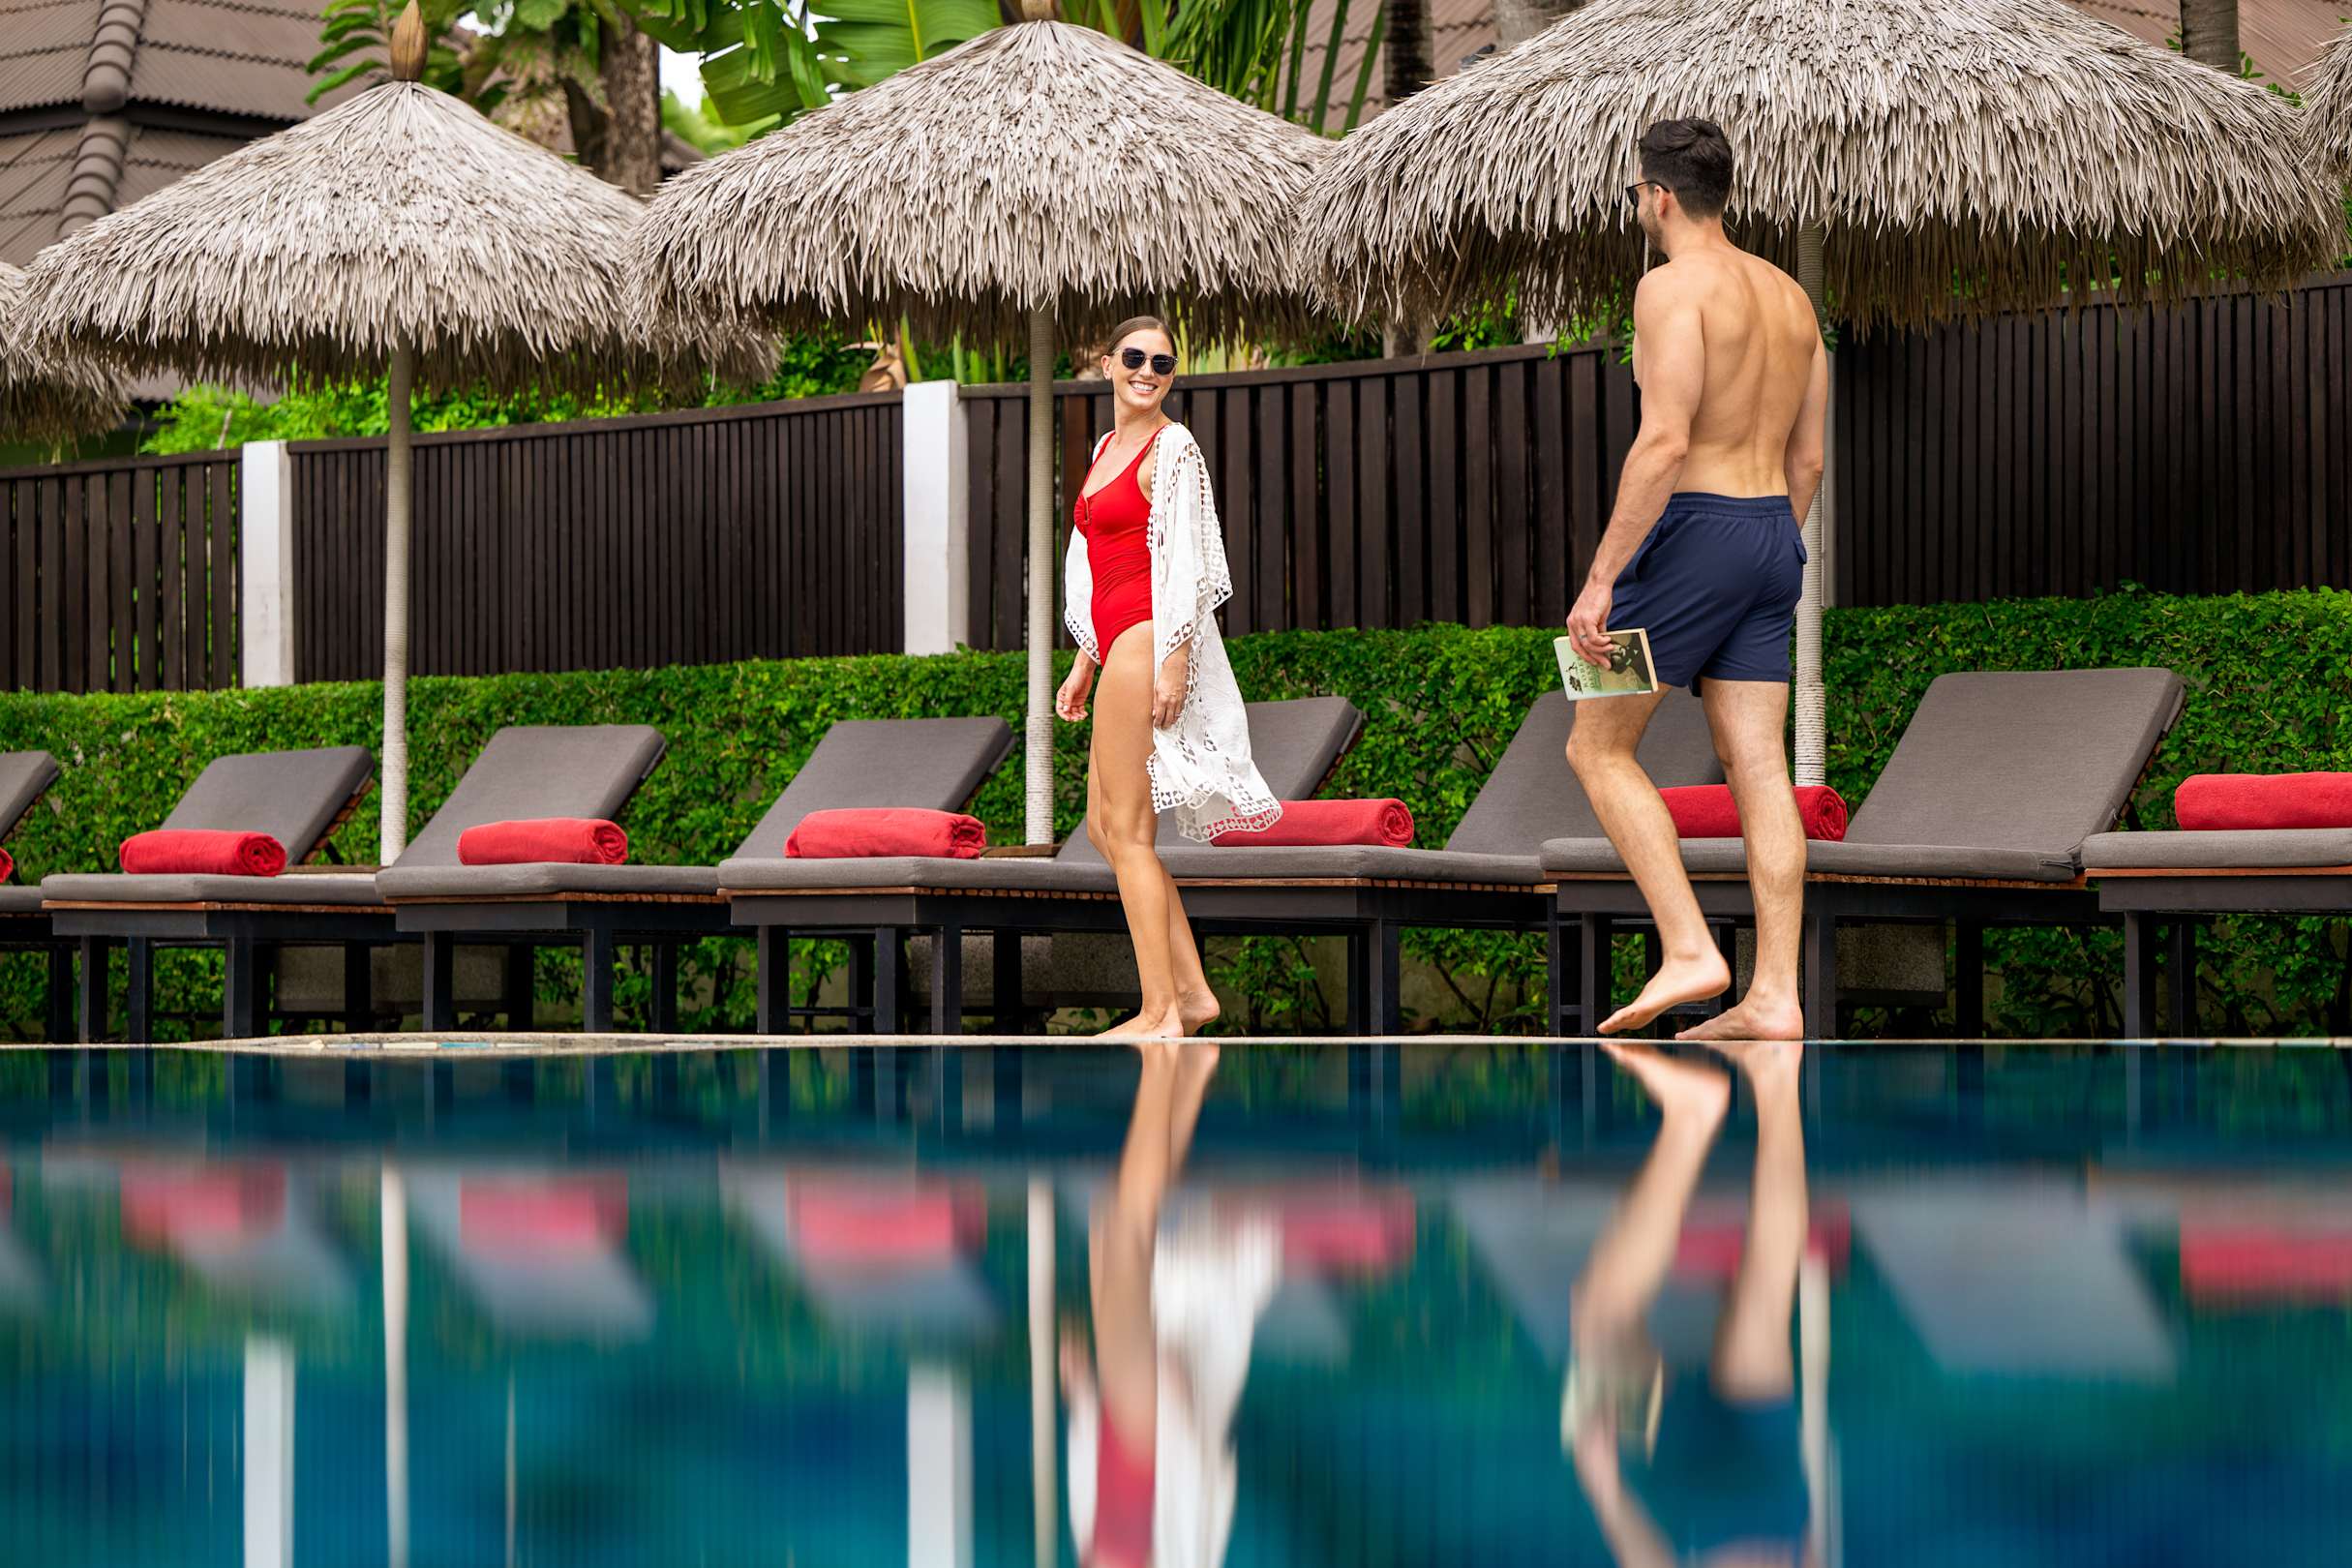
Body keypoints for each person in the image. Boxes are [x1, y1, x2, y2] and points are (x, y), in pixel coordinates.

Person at [1561, 119, 1828, 1041]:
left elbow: (1665, 440)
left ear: (1659, 196)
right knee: (1759, 765)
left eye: (1636, 193)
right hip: (1773, 537)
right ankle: (1776, 994)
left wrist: (1602, 579)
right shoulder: (1792, 298)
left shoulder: (1668, 287)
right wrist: (1765, 549)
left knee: (1593, 746)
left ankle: (1688, 949)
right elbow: (1809, 460)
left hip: (1693, 532)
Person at [1057, 317, 1280, 1039]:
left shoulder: (1173, 446)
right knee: (1103, 828)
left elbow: (1189, 560)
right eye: (1134, 358)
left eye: (1162, 363)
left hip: (1148, 638)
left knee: (1129, 831)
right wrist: (1084, 659)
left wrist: (1174, 660)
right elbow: (1093, 564)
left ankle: (1159, 1012)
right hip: (1115, 643)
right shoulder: (1103, 449)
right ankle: (1190, 994)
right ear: (1106, 364)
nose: (1147, 372)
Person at [1565, 1040, 1815, 1568]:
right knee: (1602, 1315)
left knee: (1766, 1296)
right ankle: (1689, 1118)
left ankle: (1776, 1079)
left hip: (1772, 1518)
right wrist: (1605, 1491)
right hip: (1699, 1519)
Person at [1063, 1042, 1273, 1568]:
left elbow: (1094, 1483)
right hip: (1155, 1425)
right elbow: (1207, 1484)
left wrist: (1082, 1393)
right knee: (1127, 1225)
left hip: (1122, 1414)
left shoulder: (1089, 1548)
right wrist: (1178, 1409)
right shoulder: (1185, 1556)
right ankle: (1164, 1068)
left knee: (1115, 1218)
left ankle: (1190, 1073)